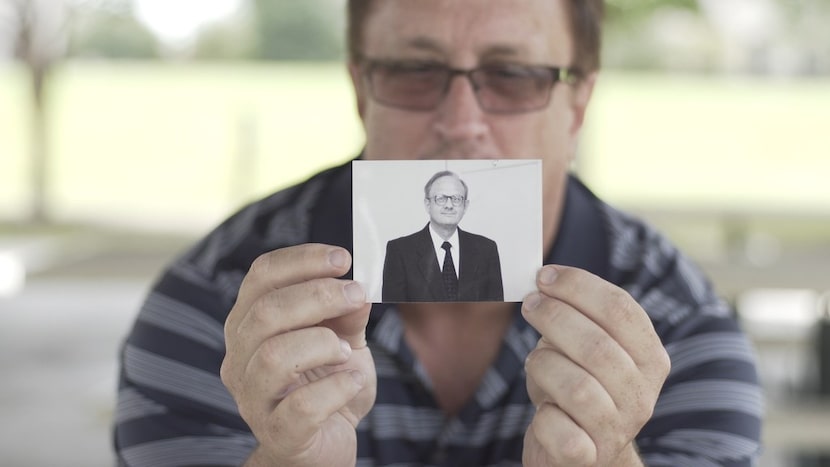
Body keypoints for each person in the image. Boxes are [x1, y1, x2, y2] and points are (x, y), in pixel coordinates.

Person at [113, 0, 763, 465]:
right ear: (360, 91)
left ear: (579, 105)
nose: (460, 123)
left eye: (514, 76)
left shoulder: (679, 330)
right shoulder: (211, 313)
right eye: (413, 70)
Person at [382, 170, 504, 302]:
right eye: (441, 199)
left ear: (465, 206)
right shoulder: (400, 250)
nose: (449, 205)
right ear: (427, 204)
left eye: (456, 199)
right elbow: (394, 312)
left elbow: (496, 309)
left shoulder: (486, 249)